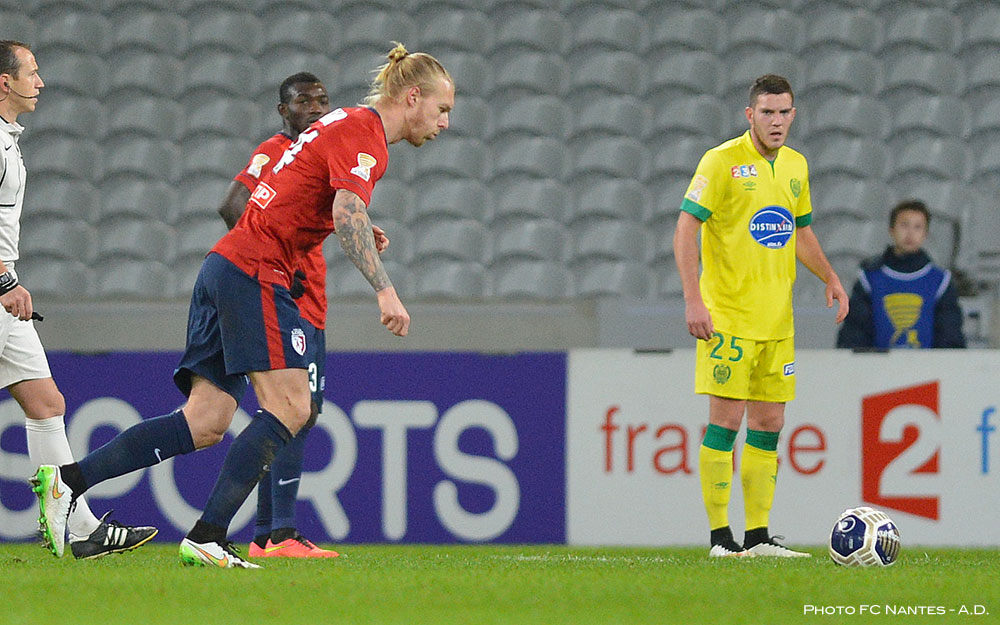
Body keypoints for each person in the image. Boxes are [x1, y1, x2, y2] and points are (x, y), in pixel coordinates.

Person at [31, 42, 453, 568]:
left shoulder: (343, 122)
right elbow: (345, 209)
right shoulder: (365, 134)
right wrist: (384, 289)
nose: (444, 122)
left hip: (224, 266)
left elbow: (305, 194)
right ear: (412, 97)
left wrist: (359, 224)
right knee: (293, 406)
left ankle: (67, 482)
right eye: (442, 109)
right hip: (256, 270)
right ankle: (208, 535)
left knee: (206, 420)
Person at [674, 74, 849, 558]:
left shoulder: (796, 165)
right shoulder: (721, 161)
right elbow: (685, 229)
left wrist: (830, 277)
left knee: (770, 425)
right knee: (725, 423)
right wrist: (693, 299)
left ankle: (757, 537)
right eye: (767, 112)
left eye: (784, 112)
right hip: (729, 318)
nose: (776, 121)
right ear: (749, 115)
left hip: (777, 323)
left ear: (794, 115)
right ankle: (720, 539)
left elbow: (800, 232)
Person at [218, 71, 385, 559]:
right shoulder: (276, 150)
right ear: (283, 110)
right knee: (296, 411)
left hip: (307, 300)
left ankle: (266, 535)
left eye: (322, 100)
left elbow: (326, 207)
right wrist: (277, 267)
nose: (314, 108)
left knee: (294, 414)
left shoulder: (320, 151)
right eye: (303, 101)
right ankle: (280, 533)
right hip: (287, 297)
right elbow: (232, 205)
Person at [1, 40, 157, 559]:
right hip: (1, 288)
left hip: (5, 293)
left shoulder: (7, 140)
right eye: (32, 73)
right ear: (5, 82)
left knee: (47, 403)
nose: (40, 82)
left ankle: (83, 527)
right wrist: (4, 281)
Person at [836, 200, 966, 349]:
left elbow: (950, 336)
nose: (910, 233)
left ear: (925, 234)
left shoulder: (940, 281)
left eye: (917, 227)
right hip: (877, 363)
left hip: (927, 364)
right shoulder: (869, 279)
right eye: (904, 225)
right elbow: (854, 333)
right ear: (891, 230)